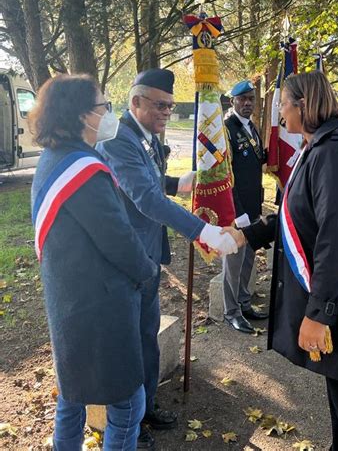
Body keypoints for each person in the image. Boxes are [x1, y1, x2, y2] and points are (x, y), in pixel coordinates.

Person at [224, 72, 338, 451]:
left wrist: (319, 314)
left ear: (303, 105)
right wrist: (245, 235)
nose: (279, 113)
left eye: (282, 104)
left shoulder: (332, 152)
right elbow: (295, 210)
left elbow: (334, 240)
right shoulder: (320, 145)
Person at [97, 68, 242, 449]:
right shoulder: (118, 139)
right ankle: (128, 421)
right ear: (136, 102)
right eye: (159, 105)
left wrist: (180, 182)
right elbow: (144, 198)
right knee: (129, 343)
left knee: (146, 337)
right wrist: (205, 231)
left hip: (145, 257)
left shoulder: (143, 137)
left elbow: (149, 182)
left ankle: (144, 408)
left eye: (170, 106)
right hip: (124, 260)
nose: (166, 112)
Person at [29, 74, 158, 451]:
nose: (108, 113)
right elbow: (118, 238)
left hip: (68, 298)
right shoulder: (83, 169)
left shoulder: (54, 158)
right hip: (100, 306)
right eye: (104, 106)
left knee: (72, 395)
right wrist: (149, 271)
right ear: (83, 115)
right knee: (128, 403)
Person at [223, 80, 268, 334]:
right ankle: (231, 312)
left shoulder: (252, 127)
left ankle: (244, 302)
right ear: (233, 102)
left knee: (249, 257)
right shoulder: (227, 130)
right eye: (242, 99)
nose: (248, 103)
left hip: (253, 206)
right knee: (233, 260)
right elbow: (226, 176)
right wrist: (236, 211)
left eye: (251, 98)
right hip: (236, 210)